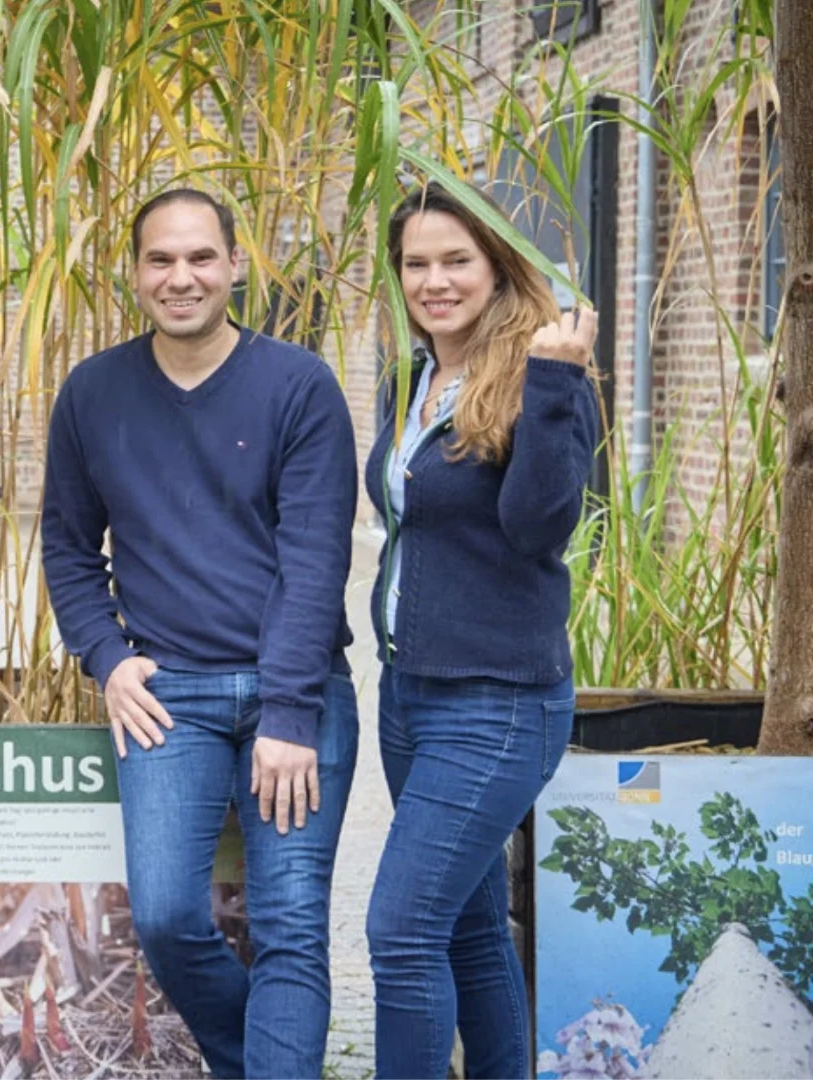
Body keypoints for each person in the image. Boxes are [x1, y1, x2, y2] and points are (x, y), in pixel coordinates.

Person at [41, 188, 359, 1079]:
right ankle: (257, 1059)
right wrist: (107, 659)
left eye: (200, 258)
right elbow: (67, 544)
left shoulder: (299, 386)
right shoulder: (93, 393)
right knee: (167, 918)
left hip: (293, 691)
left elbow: (315, 559)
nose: (180, 278)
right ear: (135, 271)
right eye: (160, 260)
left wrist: (292, 713)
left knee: (291, 925)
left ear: (235, 264)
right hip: (166, 694)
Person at [363, 184, 600, 1080]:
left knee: (401, 928)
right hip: (408, 697)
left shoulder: (545, 376)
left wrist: (552, 382)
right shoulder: (409, 378)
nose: (434, 281)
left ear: (498, 264)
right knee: (462, 925)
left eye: (455, 260)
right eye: (416, 263)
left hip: (498, 702)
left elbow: (540, 527)